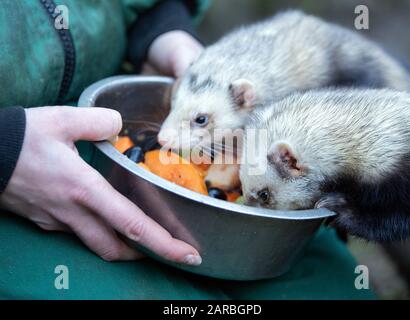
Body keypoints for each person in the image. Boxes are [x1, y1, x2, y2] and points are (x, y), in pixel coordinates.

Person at [0, 0, 374, 299]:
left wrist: (160, 30)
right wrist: (7, 148)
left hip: (99, 93)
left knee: (332, 288)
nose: (163, 137)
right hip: (18, 175)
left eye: (198, 121)